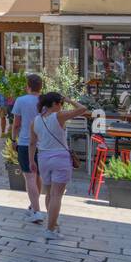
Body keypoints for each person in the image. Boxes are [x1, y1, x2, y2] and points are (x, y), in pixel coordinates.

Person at [31, 92, 88, 240]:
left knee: (49, 193)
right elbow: (83, 109)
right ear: (55, 104)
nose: (62, 106)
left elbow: (32, 143)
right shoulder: (59, 116)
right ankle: (50, 229)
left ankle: (52, 225)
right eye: (61, 103)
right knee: (57, 195)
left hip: (43, 158)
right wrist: (69, 99)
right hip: (60, 158)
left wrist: (31, 161)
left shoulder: (36, 120)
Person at [11, 74, 46, 225]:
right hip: (43, 143)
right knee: (37, 175)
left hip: (26, 142)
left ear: (28, 86)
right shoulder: (45, 102)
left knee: (29, 176)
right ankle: (34, 205)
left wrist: (13, 138)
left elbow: (17, 123)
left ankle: (37, 211)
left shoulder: (21, 100)